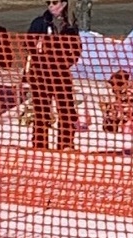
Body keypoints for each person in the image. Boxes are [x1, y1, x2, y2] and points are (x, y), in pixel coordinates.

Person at [26, 0, 82, 150]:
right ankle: (39, 144)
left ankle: (65, 144)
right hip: (40, 74)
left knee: (66, 110)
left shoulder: (69, 25)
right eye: (48, 2)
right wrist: (38, 52)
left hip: (60, 74)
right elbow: (27, 43)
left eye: (54, 2)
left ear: (63, 4)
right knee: (42, 112)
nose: (51, 5)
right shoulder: (40, 22)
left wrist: (66, 61)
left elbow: (76, 49)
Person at [100, 69, 133, 135]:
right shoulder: (120, 93)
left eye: (114, 85)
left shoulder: (129, 94)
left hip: (129, 125)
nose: (113, 87)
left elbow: (127, 112)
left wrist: (108, 109)